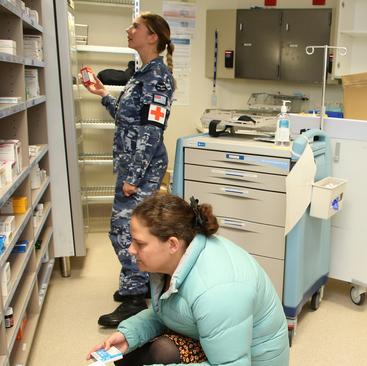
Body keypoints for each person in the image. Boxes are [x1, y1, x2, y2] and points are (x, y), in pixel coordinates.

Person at [86, 193, 290, 365]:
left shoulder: (217, 290)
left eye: (140, 244)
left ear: (172, 244)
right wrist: (128, 335)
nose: (131, 249)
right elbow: (169, 311)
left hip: (250, 360)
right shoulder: (174, 259)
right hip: (218, 343)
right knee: (127, 355)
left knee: (156, 353)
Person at [81, 12, 176, 326]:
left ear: (153, 37)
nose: (128, 29)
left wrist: (133, 177)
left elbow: (152, 130)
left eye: (135, 26)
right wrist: (103, 95)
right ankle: (135, 285)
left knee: (126, 233)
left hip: (142, 169)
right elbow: (128, 118)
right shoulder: (141, 73)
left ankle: (136, 296)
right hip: (131, 166)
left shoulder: (158, 77)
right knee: (124, 231)